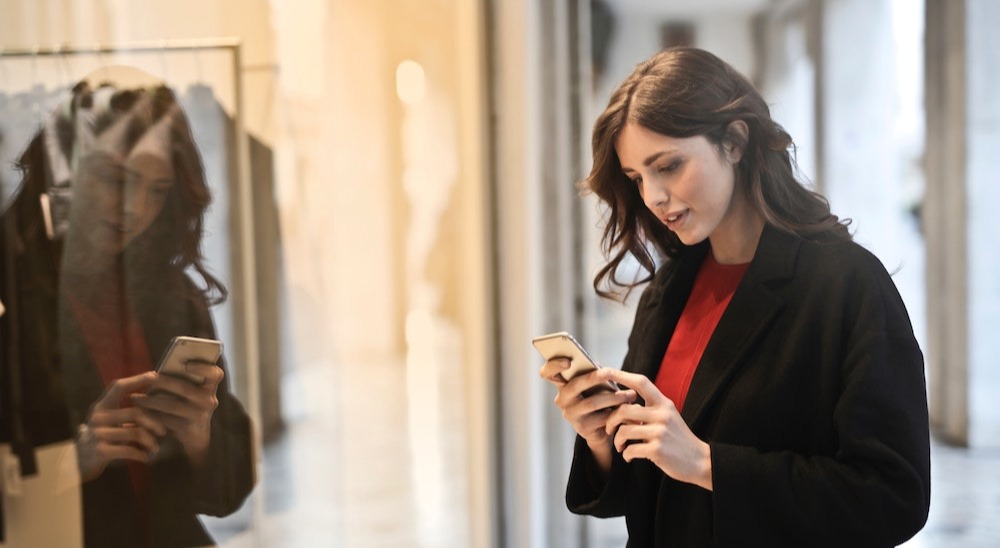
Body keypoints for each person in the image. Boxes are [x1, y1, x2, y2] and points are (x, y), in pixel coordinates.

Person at [539, 47, 930, 547]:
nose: (653, 197)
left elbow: (893, 498)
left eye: (669, 166)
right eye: (637, 178)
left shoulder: (846, 285)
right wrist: (601, 438)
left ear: (735, 142)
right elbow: (646, 484)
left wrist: (707, 464)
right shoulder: (671, 286)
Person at [0, 75, 255, 547]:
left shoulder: (171, 292)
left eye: (157, 190)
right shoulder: (11, 285)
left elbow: (228, 493)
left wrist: (199, 435)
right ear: (63, 169)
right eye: (116, 179)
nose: (134, 208)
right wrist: (74, 460)